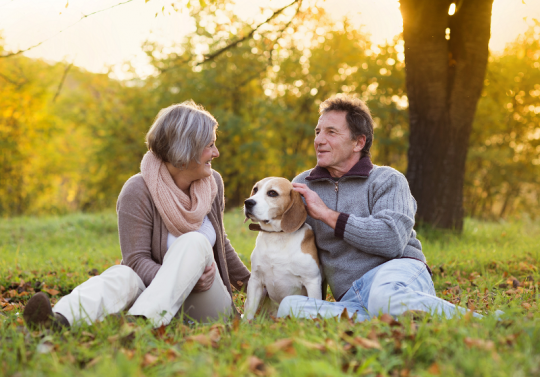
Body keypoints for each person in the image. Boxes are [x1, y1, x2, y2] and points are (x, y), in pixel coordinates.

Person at [23, 101, 251, 329]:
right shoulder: (138, 190)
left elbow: (222, 244)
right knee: (121, 274)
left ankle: (141, 326)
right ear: (186, 149)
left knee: (194, 241)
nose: (216, 152)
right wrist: (183, 279)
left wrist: (255, 285)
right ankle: (58, 320)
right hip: (155, 298)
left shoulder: (212, 184)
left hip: (206, 306)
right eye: (210, 145)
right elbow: (136, 260)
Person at [277, 94, 479, 321]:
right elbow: (291, 243)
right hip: (350, 297)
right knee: (291, 307)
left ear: (358, 142)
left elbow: (390, 240)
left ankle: (486, 322)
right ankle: (382, 320)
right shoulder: (303, 184)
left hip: (396, 275)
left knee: (384, 297)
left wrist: (325, 214)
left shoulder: (387, 179)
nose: (319, 140)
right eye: (318, 131)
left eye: (331, 132)